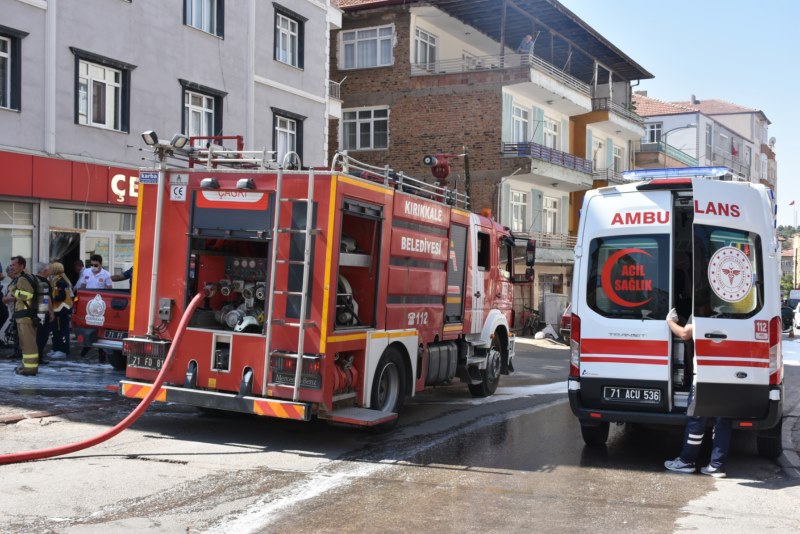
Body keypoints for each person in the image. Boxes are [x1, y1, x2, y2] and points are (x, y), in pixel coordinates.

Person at [664, 307, 731, 478]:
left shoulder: (702, 310)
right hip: (730, 372)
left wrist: (670, 321)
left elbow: (685, 334)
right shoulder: (735, 310)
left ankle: (687, 461)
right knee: (722, 420)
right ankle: (717, 466)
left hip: (705, 372)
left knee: (697, 418)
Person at [2, 256, 39, 376]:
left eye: (14, 265)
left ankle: (30, 368)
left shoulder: (23, 279)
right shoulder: (22, 278)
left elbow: (27, 295)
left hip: (25, 315)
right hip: (22, 315)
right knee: (24, 343)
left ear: (21, 266)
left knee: (28, 343)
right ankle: (26, 366)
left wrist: (13, 290)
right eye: (11, 265)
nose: (12, 267)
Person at [48, 262, 73, 358]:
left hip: (62, 310)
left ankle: (63, 350)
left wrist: (51, 299)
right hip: (56, 309)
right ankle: (56, 348)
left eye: (51, 268)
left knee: (62, 330)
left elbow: (62, 296)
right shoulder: (55, 280)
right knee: (55, 331)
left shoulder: (61, 281)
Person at [34, 262, 54, 365]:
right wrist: (51, 312)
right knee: (43, 336)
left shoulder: (33, 279)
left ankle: (35, 356)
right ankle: (39, 357)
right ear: (45, 271)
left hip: (35, 311)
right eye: (49, 270)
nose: (50, 271)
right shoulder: (45, 282)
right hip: (43, 311)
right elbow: (47, 298)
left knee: (37, 335)